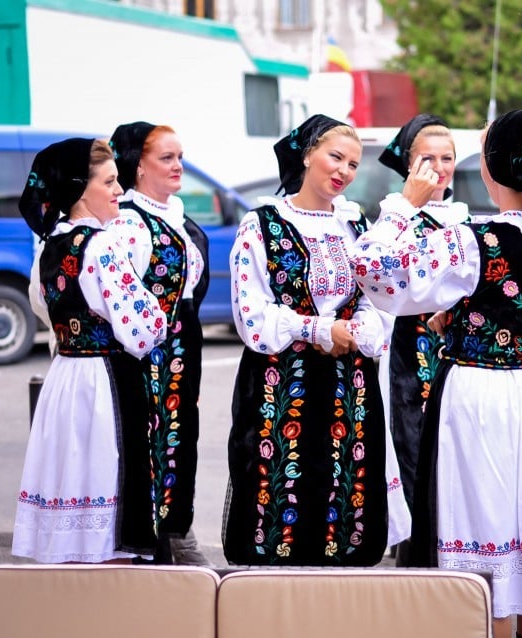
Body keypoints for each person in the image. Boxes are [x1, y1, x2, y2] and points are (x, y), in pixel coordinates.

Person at [351, 108, 522, 638]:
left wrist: (402, 208)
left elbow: (372, 273)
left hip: (482, 394)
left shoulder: (471, 241)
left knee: (487, 539)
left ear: (491, 169)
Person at [223, 114, 391, 566]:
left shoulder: (354, 226)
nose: (344, 172)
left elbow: (375, 298)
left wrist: (356, 330)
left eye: (353, 164)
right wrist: (316, 328)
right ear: (307, 154)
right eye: (335, 157)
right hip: (282, 382)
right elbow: (251, 315)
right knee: (279, 489)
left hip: (347, 382)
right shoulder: (261, 224)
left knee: (344, 488)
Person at [12, 138, 167, 563]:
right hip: (105, 379)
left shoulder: (49, 247)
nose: (120, 190)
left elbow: (42, 306)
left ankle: (71, 573)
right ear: (81, 189)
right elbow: (145, 329)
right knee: (105, 471)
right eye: (111, 181)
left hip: (65, 375)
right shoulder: (102, 247)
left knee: (71, 471)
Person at [108, 122, 209, 565]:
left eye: (180, 156)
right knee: (150, 439)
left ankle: (173, 529)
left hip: (182, 345)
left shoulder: (173, 215)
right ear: (138, 165)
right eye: (166, 158)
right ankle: (150, 539)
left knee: (180, 437)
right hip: (148, 351)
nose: (178, 166)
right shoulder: (130, 222)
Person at [376, 113, 470, 564]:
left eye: (446, 157)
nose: (438, 166)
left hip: (454, 346)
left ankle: (449, 547)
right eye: (427, 158)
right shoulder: (394, 215)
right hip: (407, 344)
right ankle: (413, 551)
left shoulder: (465, 218)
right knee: (410, 440)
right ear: (409, 165)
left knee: (453, 444)